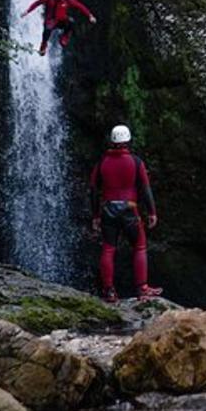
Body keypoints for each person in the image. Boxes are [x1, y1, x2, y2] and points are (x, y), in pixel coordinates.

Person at [89, 124, 162, 302]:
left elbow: (93, 190)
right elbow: (145, 189)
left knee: (108, 249)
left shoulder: (102, 163)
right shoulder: (136, 162)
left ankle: (109, 291)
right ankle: (142, 288)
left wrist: (95, 215)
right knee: (139, 247)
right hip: (129, 208)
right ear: (128, 140)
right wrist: (152, 212)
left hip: (108, 209)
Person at [20, 0, 96, 55]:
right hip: (51, 21)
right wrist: (27, 11)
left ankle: (65, 37)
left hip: (61, 21)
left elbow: (80, 6)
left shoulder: (68, 0)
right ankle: (43, 46)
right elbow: (37, 3)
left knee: (71, 22)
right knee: (47, 30)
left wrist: (90, 15)